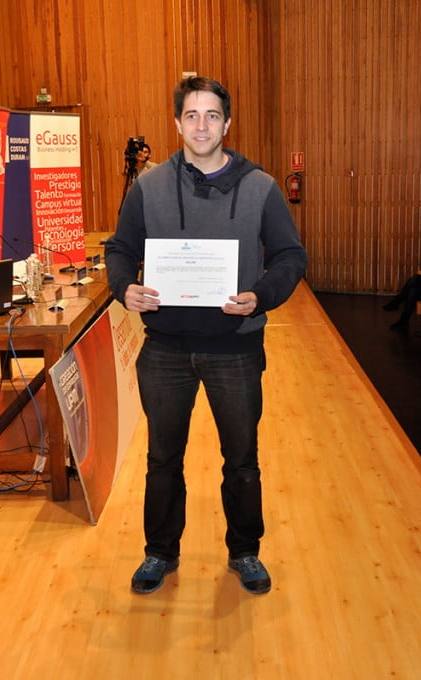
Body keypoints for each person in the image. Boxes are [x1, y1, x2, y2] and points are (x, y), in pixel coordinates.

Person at [105, 76, 307, 595]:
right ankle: (159, 552)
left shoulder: (260, 186)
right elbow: (120, 250)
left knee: (241, 460)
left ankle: (245, 552)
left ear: (227, 123)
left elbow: (290, 256)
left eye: (212, 115)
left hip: (235, 348)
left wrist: (260, 295)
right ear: (177, 124)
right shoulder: (148, 187)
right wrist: (125, 287)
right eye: (192, 115)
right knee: (162, 460)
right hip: (165, 349)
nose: (201, 125)